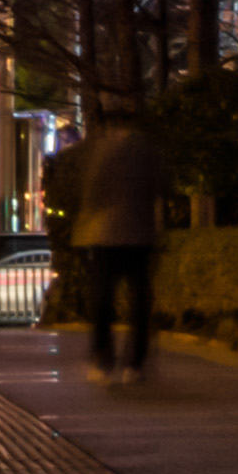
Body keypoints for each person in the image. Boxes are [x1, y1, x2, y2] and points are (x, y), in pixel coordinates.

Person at [72, 105, 168, 381]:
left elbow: (88, 190)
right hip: (140, 233)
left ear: (109, 123)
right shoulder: (148, 150)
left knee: (102, 298)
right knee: (139, 300)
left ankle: (103, 357)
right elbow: (163, 186)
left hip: (103, 235)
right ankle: (134, 363)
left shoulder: (98, 150)